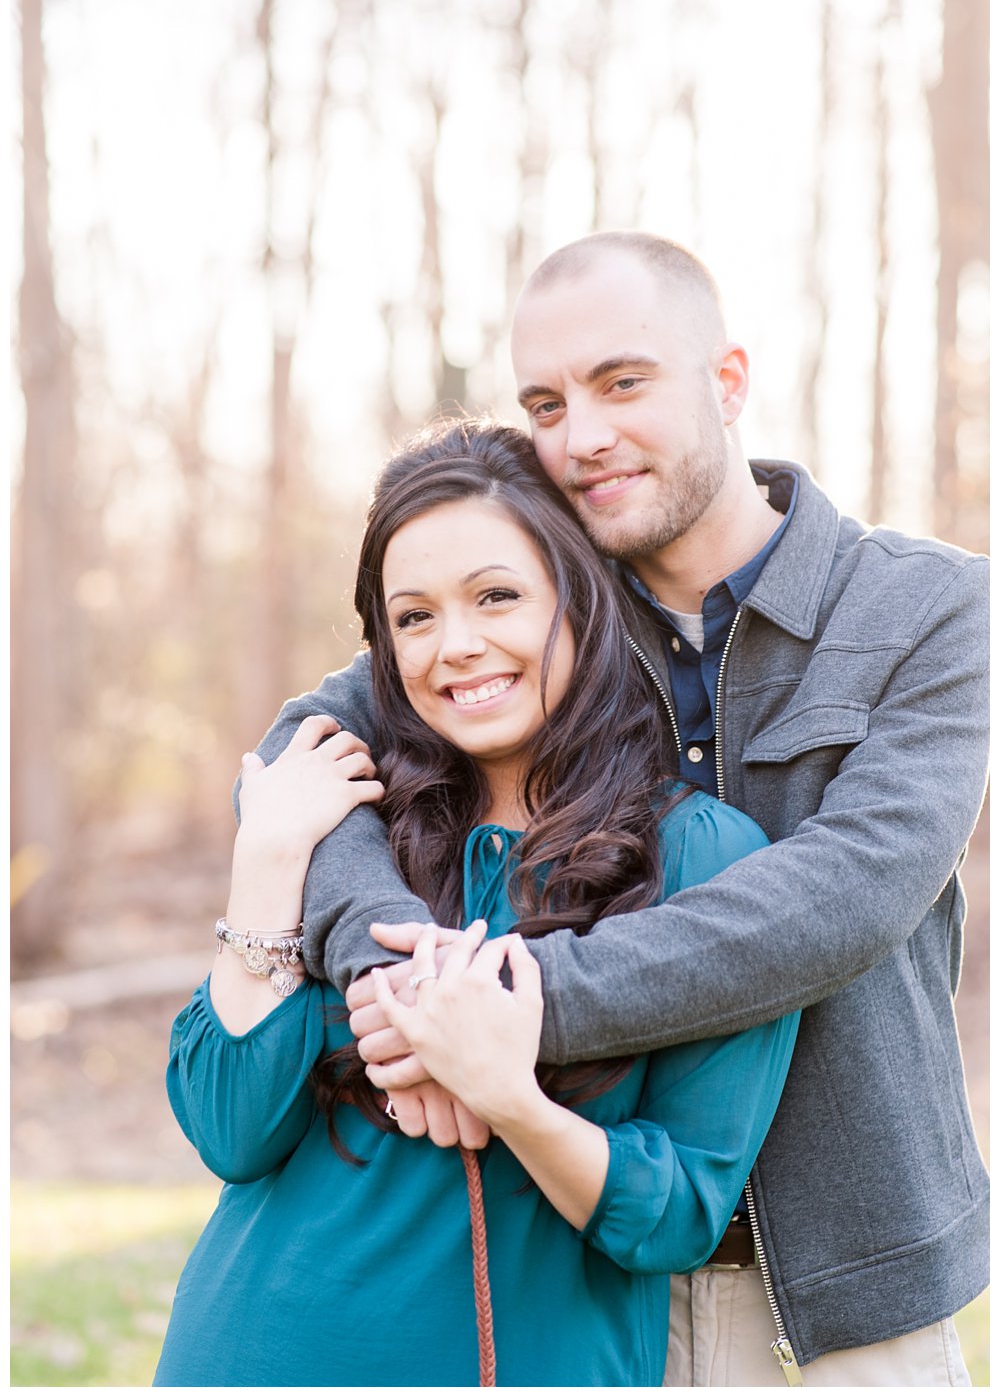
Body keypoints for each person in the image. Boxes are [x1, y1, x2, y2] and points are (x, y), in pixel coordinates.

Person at [253, 233, 989, 1387]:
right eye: (543, 403)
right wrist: (386, 968)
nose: (579, 436)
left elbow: (848, 898)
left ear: (728, 380)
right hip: (581, 1267)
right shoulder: (545, 611)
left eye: (621, 382)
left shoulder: (930, 609)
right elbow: (303, 743)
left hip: (848, 1299)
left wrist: (501, 1002)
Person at [154, 421, 799, 1387]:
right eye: (413, 618)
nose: (455, 647)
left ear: (580, 599)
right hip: (246, 1350)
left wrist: (507, 1093)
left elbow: (676, 1213)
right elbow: (230, 1131)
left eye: (496, 597)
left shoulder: (703, 859)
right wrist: (269, 853)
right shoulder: (347, 821)